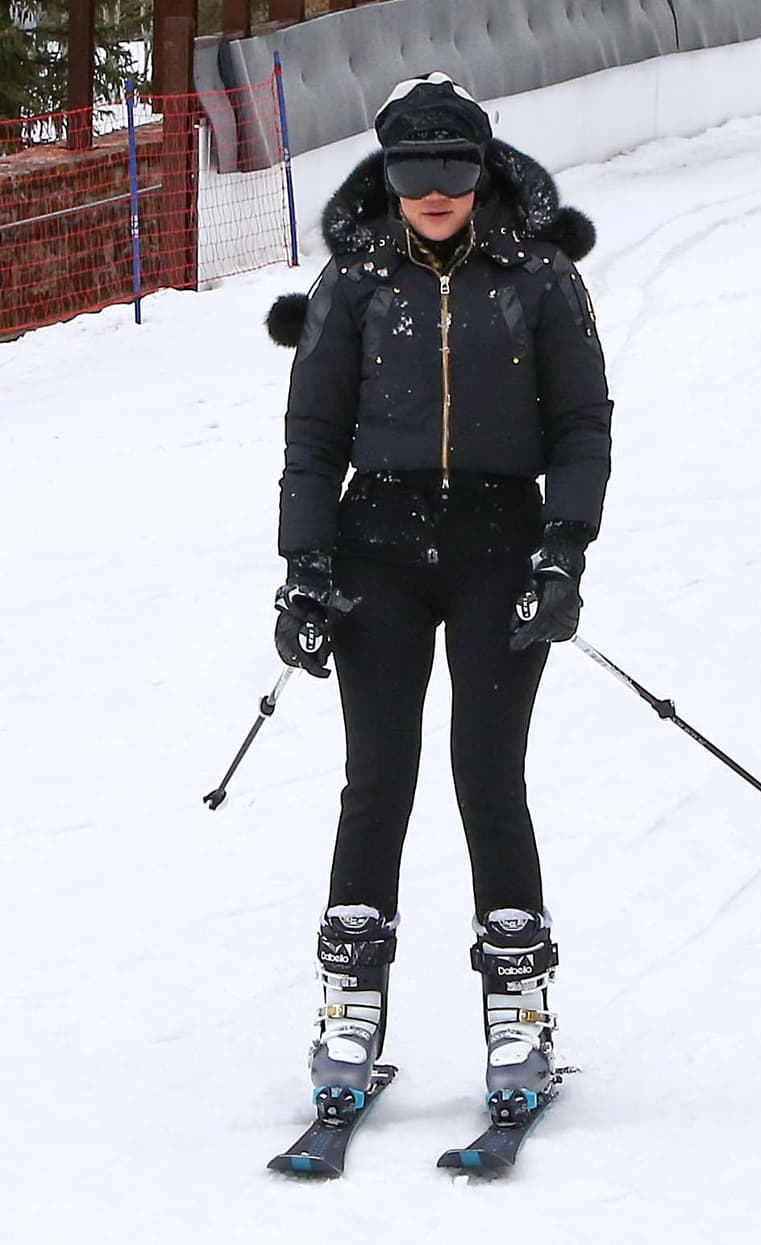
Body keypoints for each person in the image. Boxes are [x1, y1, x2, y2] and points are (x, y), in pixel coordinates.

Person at [264, 73, 612, 1121]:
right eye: (413, 172)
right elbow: (313, 435)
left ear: (479, 169)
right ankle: (348, 1014)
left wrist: (564, 549)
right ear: (387, 173)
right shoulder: (353, 283)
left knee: (487, 776)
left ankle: (519, 1020)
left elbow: (583, 424)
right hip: (378, 550)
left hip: (499, 548)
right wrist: (305, 564)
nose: (432, 191)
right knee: (377, 781)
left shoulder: (539, 277)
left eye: (451, 171)